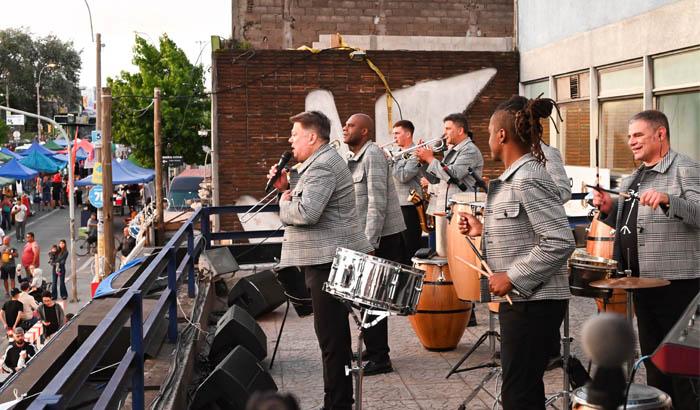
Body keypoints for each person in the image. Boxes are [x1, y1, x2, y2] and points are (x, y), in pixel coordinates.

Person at [459, 95, 575, 409]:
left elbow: (560, 240)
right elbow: (525, 228)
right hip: (524, 301)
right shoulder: (516, 177)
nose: (487, 140)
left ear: (502, 135)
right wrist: (481, 230)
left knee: (518, 394)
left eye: (488, 133)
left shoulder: (528, 177)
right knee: (523, 390)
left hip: (533, 302)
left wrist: (511, 276)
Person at [592, 110, 700, 410]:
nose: (631, 142)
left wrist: (669, 200)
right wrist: (608, 209)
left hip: (678, 284)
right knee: (654, 361)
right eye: (629, 136)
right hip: (643, 283)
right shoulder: (633, 178)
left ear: (660, 134)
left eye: (638, 135)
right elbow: (629, 226)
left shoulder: (684, 167)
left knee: (683, 366)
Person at [269, 110, 372, 409]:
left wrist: (282, 203)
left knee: (332, 342)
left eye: (295, 135)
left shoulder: (323, 165)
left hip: (328, 262)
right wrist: (285, 189)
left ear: (313, 137)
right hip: (324, 260)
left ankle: (338, 403)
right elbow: (305, 202)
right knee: (331, 339)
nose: (290, 141)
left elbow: (306, 213)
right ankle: (338, 401)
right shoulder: (316, 164)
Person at [343, 113, 406, 376]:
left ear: (365, 131)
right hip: (369, 237)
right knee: (364, 297)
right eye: (345, 125)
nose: (345, 129)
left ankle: (381, 359)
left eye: (351, 125)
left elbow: (376, 204)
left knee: (374, 299)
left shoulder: (373, 156)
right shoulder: (356, 158)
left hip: (382, 238)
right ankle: (373, 347)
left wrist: (370, 243)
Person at [416, 113, 484, 252]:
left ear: (460, 130)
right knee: (443, 254)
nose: (444, 133)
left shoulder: (469, 150)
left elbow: (454, 175)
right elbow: (435, 179)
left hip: (461, 211)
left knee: (457, 253)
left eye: (448, 129)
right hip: (445, 210)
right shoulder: (451, 151)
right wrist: (423, 162)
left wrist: (430, 159)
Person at [390, 120, 426, 264]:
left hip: (409, 205)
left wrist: (391, 161)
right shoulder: (396, 153)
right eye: (393, 134)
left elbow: (403, 176)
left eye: (397, 133)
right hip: (395, 205)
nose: (394, 137)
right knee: (397, 248)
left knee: (410, 246)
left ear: (408, 134)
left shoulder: (416, 152)